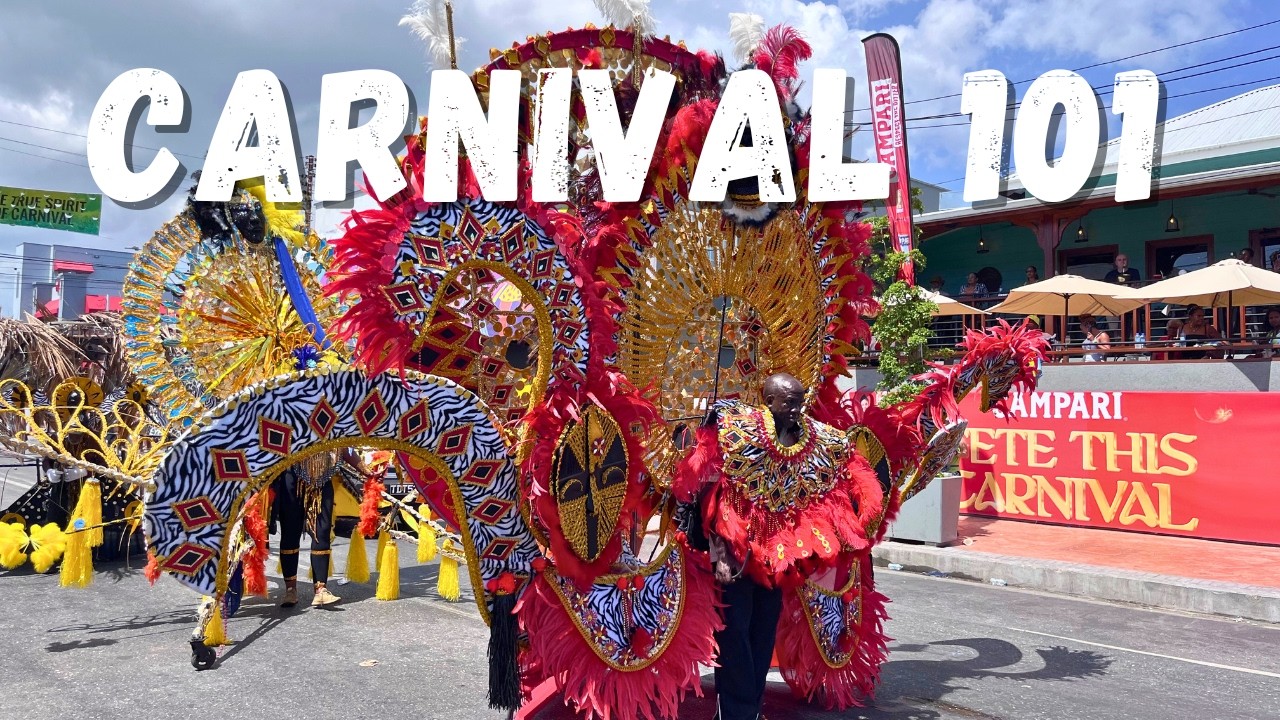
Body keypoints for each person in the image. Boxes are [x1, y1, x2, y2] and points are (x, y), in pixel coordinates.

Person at [679, 373, 879, 720]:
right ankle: (736, 712)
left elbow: (838, 473)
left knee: (762, 631)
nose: (797, 410)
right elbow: (708, 491)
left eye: (800, 401)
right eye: (790, 403)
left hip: (778, 559)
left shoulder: (813, 439)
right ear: (768, 401)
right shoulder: (735, 431)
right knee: (735, 632)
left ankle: (750, 709)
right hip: (736, 553)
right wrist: (719, 551)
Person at [273, 453, 341, 608]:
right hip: (291, 478)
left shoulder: (330, 429)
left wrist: (364, 469)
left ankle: (321, 590)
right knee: (290, 534)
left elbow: (346, 444)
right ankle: (290, 590)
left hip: (322, 479)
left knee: (322, 533)